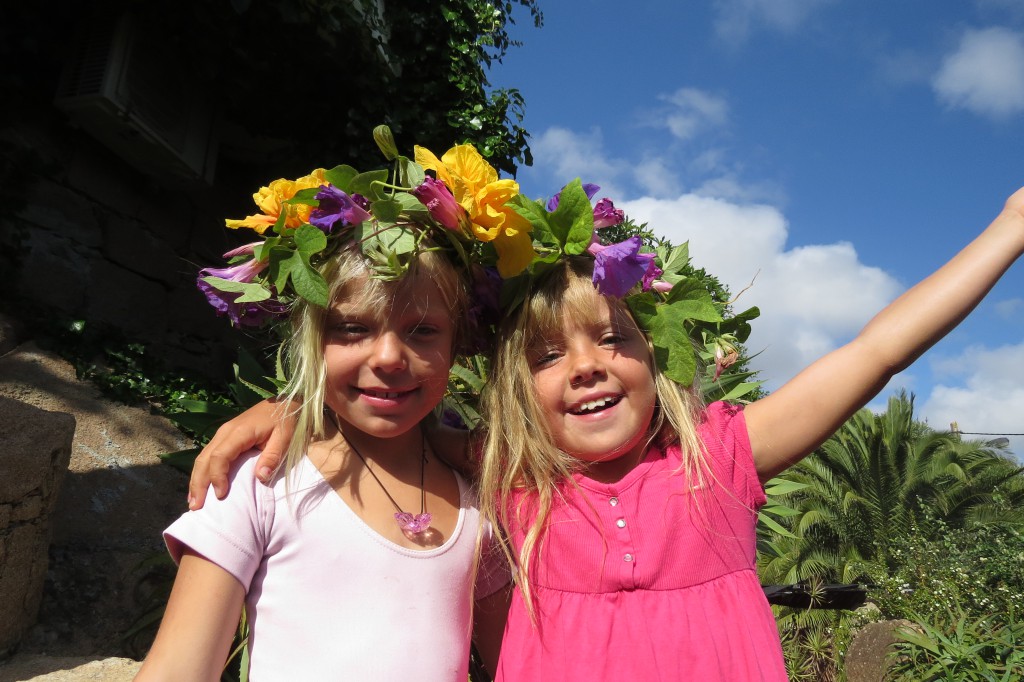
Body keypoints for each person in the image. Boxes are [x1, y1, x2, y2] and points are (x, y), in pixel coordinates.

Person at [190, 184, 1024, 680]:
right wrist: (292, 411)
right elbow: (382, 425)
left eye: (615, 339)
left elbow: (876, 351)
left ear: (655, 362)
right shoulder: (514, 482)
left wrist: (1011, 227)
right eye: (549, 355)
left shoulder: (723, 459)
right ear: (519, 393)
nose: (587, 366)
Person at [136, 146, 513, 681]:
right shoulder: (261, 480)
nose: (387, 358)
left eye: (423, 330)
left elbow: (515, 666)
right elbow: (176, 671)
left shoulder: (481, 505)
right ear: (310, 340)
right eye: (352, 328)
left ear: (459, 345)